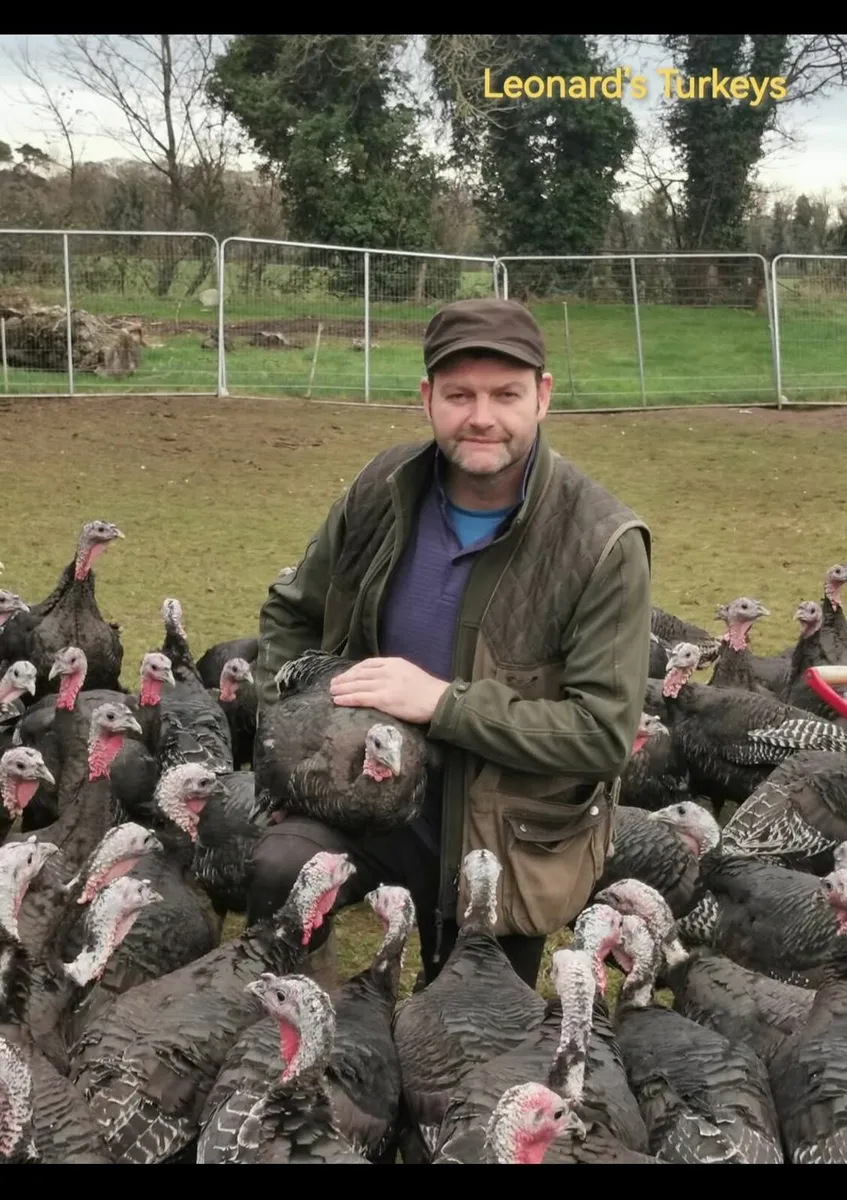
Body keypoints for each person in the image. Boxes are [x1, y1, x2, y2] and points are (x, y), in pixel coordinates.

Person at [247, 296, 652, 992]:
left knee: (471, 1047)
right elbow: (292, 611)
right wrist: (292, 737)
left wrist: (442, 703)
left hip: (503, 834)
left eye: (505, 394)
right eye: (459, 394)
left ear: (542, 397)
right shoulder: (380, 490)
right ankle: (306, 1017)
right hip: (362, 799)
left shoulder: (602, 543)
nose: (481, 417)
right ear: (427, 397)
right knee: (280, 870)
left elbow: (601, 735)